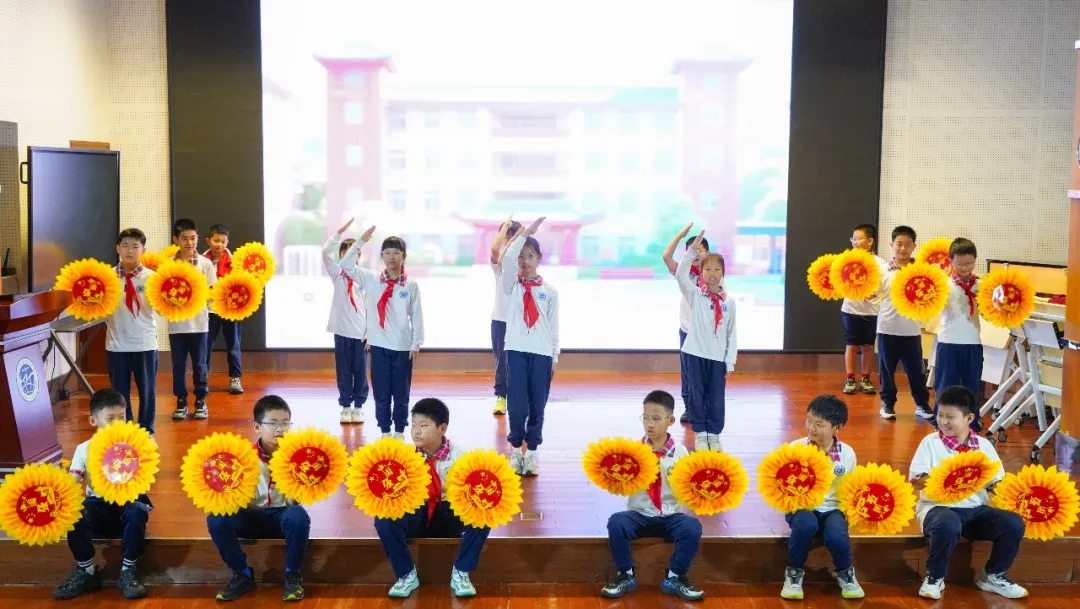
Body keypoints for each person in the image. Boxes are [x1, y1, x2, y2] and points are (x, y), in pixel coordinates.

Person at [908, 386, 1027, 600]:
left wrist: (1017, 493)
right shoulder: (930, 443)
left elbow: (996, 482)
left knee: (1013, 523)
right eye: (940, 415)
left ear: (969, 418)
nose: (943, 422)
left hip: (976, 510)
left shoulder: (984, 446)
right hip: (937, 509)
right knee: (948, 523)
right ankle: (935, 577)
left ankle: (993, 575)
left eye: (950, 417)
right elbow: (916, 480)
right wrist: (949, 480)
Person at [374, 398, 491, 598]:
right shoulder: (403, 458)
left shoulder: (461, 458)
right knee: (383, 518)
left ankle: (461, 572)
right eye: (414, 425)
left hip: (448, 514)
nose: (416, 432)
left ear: (442, 429)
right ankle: (406, 575)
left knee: (486, 511)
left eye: (423, 426)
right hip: (416, 514)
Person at [600, 390, 705, 601]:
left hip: (671, 516)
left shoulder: (682, 453)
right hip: (639, 515)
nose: (649, 424)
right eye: (645, 417)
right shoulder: (633, 452)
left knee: (693, 527)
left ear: (671, 421)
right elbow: (620, 484)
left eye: (656, 418)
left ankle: (675, 576)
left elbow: (689, 488)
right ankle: (625, 574)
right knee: (616, 523)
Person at [206, 395, 309, 601]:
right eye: (273, 423)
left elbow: (297, 500)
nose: (280, 429)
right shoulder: (240, 458)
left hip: (282, 518)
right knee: (215, 518)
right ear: (257, 426)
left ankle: (292, 575)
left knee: (298, 516)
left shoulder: (299, 458)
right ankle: (242, 574)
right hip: (249, 516)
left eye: (285, 423)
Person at [53, 389, 151, 600]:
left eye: (121, 417)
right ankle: (86, 571)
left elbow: (143, 480)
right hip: (97, 508)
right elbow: (73, 481)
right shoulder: (84, 449)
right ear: (93, 420)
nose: (117, 423)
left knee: (137, 509)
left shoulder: (134, 447)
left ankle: (128, 571)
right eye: (110, 418)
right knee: (74, 512)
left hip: (126, 507)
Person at [339, 221, 424, 439]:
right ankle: (385, 431)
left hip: (402, 348)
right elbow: (346, 264)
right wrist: (361, 241)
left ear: (404, 256)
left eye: (396, 253)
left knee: (401, 394)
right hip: (377, 347)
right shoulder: (371, 279)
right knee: (381, 393)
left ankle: (399, 432)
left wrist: (416, 344)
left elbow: (417, 315)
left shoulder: (410, 285)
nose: (392, 257)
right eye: (387, 253)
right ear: (381, 256)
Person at [780, 395, 864, 600]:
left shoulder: (848, 453)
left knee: (837, 534)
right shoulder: (795, 448)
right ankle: (793, 574)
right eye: (809, 420)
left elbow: (851, 489)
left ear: (837, 427)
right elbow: (782, 485)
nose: (811, 428)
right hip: (802, 506)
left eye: (819, 424)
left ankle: (845, 574)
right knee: (805, 524)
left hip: (833, 508)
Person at [500, 217, 559, 476]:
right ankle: (516, 451)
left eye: (530, 256)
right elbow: (506, 260)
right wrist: (524, 235)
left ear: (539, 258)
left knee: (537, 406)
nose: (525, 261)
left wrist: (554, 357)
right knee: (516, 406)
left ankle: (532, 453)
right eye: (522, 256)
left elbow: (554, 328)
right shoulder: (511, 286)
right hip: (515, 351)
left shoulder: (550, 292)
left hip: (542, 354)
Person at [676, 230, 737, 451]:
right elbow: (680, 273)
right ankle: (701, 435)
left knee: (717, 397)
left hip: (717, 357)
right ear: (700, 272)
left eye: (717, 269)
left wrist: (730, 361)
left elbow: (732, 333)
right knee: (696, 395)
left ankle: (714, 434)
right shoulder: (694, 294)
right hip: (694, 354)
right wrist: (692, 251)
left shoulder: (729, 301)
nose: (712, 273)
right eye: (708, 269)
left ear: (723, 273)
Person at [877, 226, 933, 421]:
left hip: (911, 330)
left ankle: (922, 404)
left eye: (907, 244)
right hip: (887, 328)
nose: (903, 248)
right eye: (899, 244)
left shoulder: (921, 271)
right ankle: (887, 404)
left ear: (914, 247)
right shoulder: (882, 270)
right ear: (891, 245)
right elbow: (872, 294)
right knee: (886, 370)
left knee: (916, 370)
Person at [106, 228, 158, 435]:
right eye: (125, 246)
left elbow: (162, 309)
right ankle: (125, 431)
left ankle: (147, 431)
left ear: (143, 250)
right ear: (117, 248)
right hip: (116, 344)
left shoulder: (153, 278)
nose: (129, 251)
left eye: (135, 246)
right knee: (119, 393)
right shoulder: (106, 278)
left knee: (147, 391)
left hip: (145, 343)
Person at [169, 218, 218, 421]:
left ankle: (200, 400)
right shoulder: (168, 265)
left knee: (200, 364)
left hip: (200, 325)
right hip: (176, 326)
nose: (189, 243)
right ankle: (181, 401)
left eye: (193, 238)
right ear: (176, 240)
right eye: (184, 238)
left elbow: (212, 291)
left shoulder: (205, 264)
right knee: (178, 366)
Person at [662, 223, 710, 424]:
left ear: (707, 253)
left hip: (708, 332)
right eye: (692, 250)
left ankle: (706, 407)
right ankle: (690, 408)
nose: (696, 254)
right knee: (688, 371)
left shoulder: (714, 273)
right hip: (688, 329)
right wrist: (680, 235)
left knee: (706, 371)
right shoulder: (683, 272)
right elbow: (666, 257)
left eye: (699, 250)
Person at [933, 238, 982, 429]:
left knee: (972, 387)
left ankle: (971, 424)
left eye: (969, 263)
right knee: (946, 386)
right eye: (960, 264)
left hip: (973, 342)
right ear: (951, 261)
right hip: (948, 342)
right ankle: (942, 425)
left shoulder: (981, 285)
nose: (965, 268)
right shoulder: (943, 284)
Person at [323, 223, 369, 424]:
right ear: (341, 255)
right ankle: (346, 406)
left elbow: (372, 307)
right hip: (341, 332)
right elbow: (325, 253)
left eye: (352, 252)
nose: (348, 256)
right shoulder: (337, 273)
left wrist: (371, 332)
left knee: (360, 371)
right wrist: (338, 233)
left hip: (361, 333)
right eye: (344, 252)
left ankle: (358, 406)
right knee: (343, 371)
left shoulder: (365, 277)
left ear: (358, 256)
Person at [841, 224, 882, 395]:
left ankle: (865, 378)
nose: (855, 242)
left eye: (859, 239)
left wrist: (874, 294)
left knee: (868, 346)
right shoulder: (846, 261)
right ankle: (850, 378)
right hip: (850, 310)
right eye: (854, 239)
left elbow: (883, 285)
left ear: (870, 241)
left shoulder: (879, 263)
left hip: (871, 311)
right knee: (851, 345)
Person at [203, 223, 243, 395]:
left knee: (233, 345)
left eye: (223, 241)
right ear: (208, 241)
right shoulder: (201, 261)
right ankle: (202, 379)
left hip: (229, 310)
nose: (219, 244)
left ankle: (235, 378)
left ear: (227, 242)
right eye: (216, 240)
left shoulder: (236, 262)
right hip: (208, 310)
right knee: (205, 346)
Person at [489, 217, 522, 415]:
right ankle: (501, 397)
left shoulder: (523, 265)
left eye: (513, 237)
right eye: (506, 237)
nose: (509, 241)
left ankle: (519, 397)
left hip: (521, 322)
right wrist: (507, 227)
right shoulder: (500, 266)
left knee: (519, 361)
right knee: (501, 362)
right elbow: (495, 250)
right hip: (501, 320)